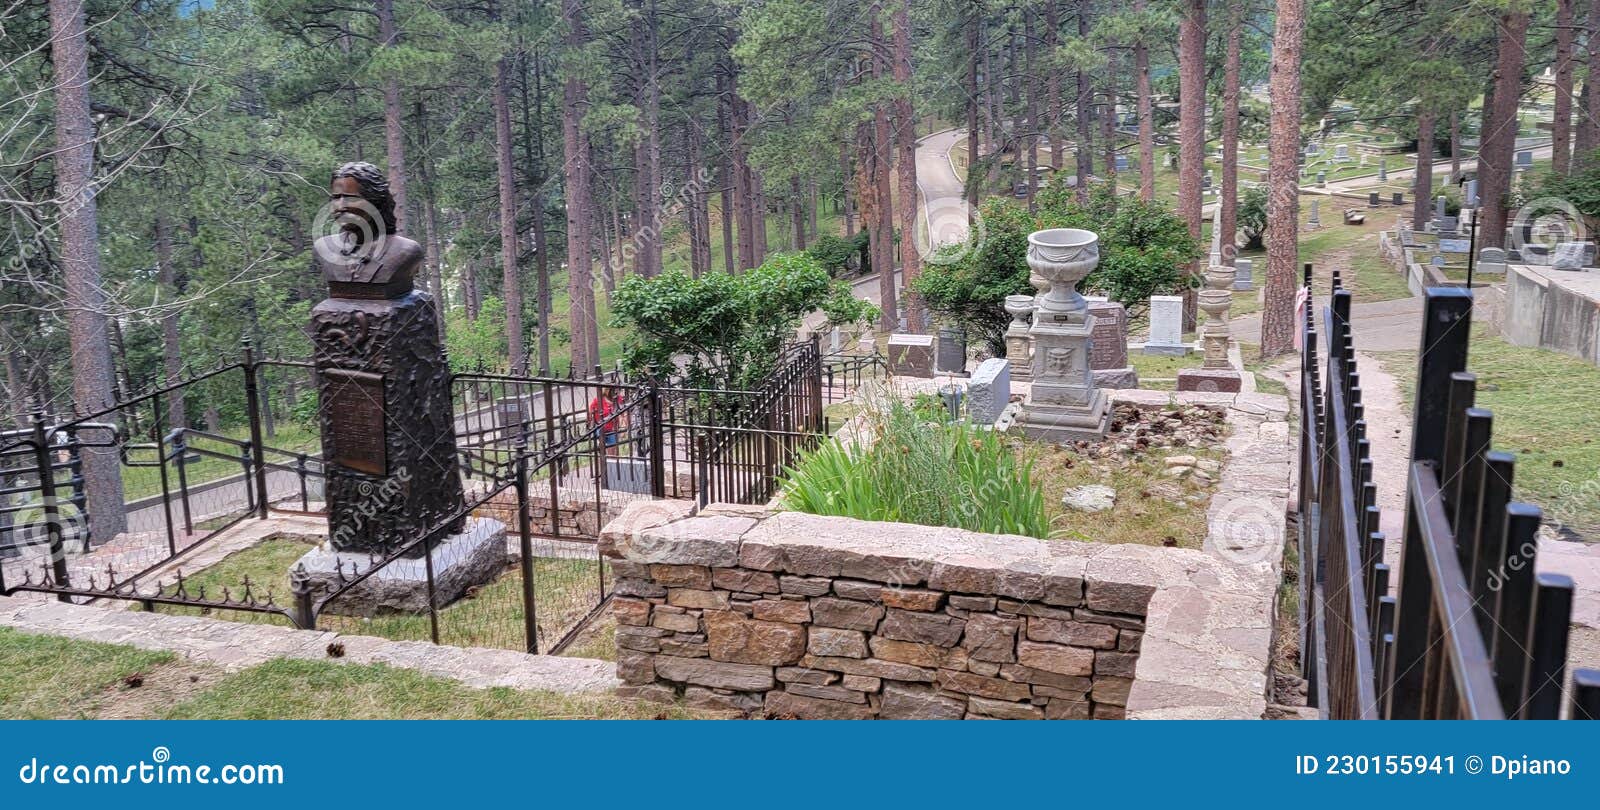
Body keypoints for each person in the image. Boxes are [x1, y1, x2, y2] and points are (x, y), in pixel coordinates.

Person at [589, 387, 619, 456]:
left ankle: (611, 464)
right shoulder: (598, 400)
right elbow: (590, 411)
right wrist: (590, 422)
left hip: (611, 428)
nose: (616, 392)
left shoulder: (615, 400)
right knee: (602, 448)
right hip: (600, 427)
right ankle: (603, 461)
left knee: (612, 449)